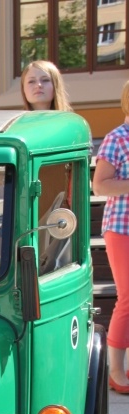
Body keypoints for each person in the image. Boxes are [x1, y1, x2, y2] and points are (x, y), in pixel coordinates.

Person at [92, 80, 129, 393]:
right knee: (128, 298)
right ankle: (116, 371)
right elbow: (100, 186)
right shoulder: (118, 138)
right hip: (123, 227)